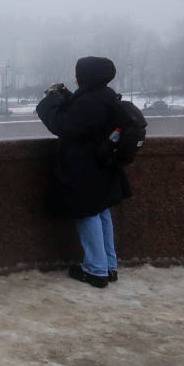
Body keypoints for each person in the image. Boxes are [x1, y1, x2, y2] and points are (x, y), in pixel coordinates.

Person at [36, 56, 132, 289]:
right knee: (101, 213)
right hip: (102, 167)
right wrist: (68, 96)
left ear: (86, 75)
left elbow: (65, 126)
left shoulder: (92, 101)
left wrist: (48, 103)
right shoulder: (104, 95)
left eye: (78, 73)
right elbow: (81, 117)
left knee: (87, 213)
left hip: (85, 168)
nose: (75, 76)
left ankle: (96, 270)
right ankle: (109, 266)